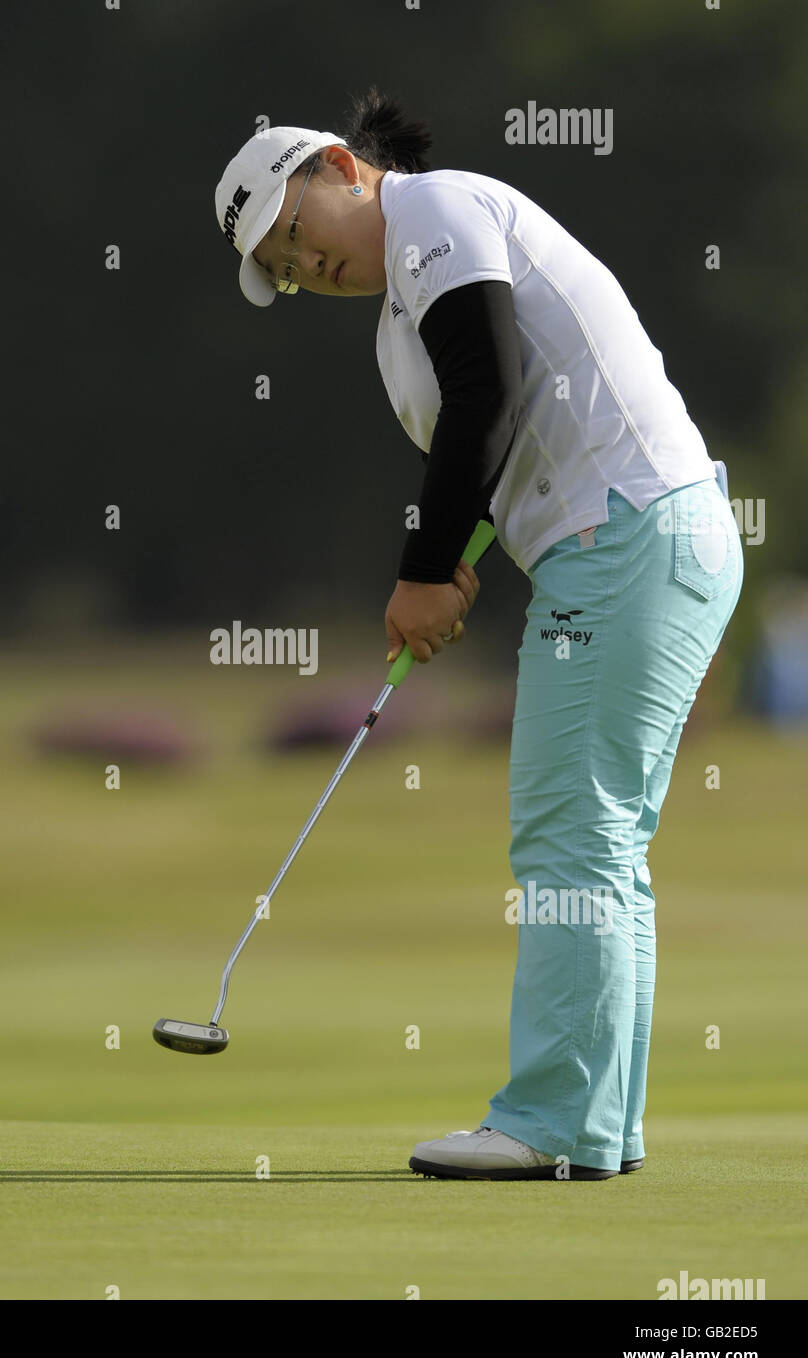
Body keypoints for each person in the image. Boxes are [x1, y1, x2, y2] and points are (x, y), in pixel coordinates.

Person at [214, 90, 743, 1180]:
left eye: (293, 230)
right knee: (597, 846)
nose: (301, 264)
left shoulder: (438, 212)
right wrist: (452, 560)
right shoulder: (396, 318)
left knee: (568, 840)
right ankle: (597, 1127)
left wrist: (418, 572)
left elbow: (486, 389)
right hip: (623, 543)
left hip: (630, 534)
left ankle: (551, 1123)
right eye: (281, 265)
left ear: (336, 169)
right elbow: (485, 452)